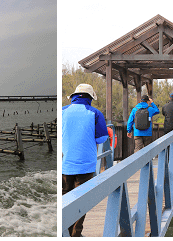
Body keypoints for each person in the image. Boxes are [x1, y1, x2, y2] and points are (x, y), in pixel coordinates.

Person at [62, 84, 109, 237]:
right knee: (81, 202)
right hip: (86, 166)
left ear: (74, 96)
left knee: (65, 199)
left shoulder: (62, 111)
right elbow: (102, 138)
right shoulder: (95, 113)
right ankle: (76, 234)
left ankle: (65, 233)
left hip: (65, 165)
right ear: (90, 98)